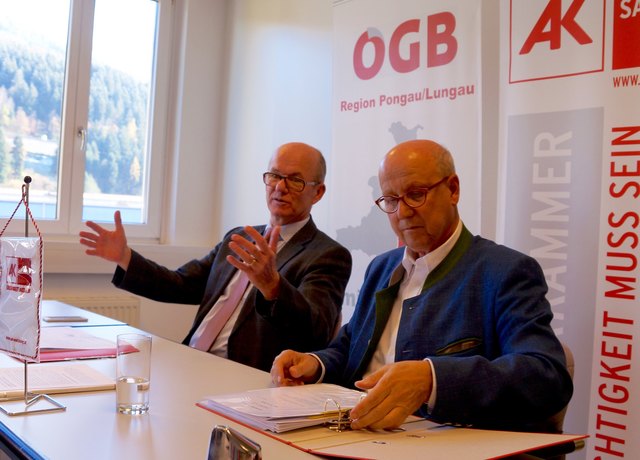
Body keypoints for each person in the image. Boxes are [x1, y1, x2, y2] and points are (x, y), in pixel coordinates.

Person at [271, 139, 573, 432]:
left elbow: (547, 377)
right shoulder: (382, 267)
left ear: (453, 189)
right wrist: (313, 363)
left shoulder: (503, 271)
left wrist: (431, 380)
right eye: (390, 200)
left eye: (416, 194)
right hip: (354, 432)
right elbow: (352, 346)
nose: (402, 212)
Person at [79, 142, 352, 372]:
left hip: (245, 377)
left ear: (318, 192)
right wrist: (125, 257)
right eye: (274, 175)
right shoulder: (239, 238)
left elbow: (316, 331)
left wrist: (273, 287)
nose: (280, 187)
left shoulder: (327, 255)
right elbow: (181, 283)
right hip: (189, 359)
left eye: (295, 180)